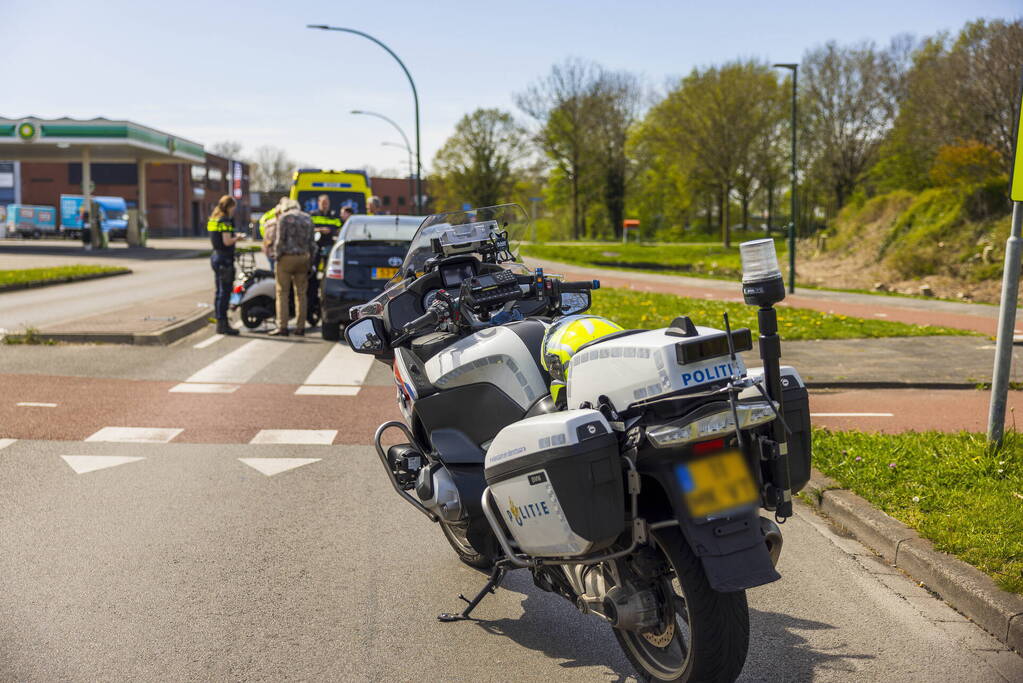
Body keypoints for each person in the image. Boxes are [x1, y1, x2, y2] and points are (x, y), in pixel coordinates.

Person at [264, 198, 315, 337]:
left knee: (282, 293)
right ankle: (300, 327)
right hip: (303, 257)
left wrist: (277, 256)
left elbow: (279, 241)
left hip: (286, 258)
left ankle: (283, 326)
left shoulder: (284, 218)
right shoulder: (307, 218)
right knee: (301, 294)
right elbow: (312, 244)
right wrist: (311, 261)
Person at [207, 195, 242, 336]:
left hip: (216, 256)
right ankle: (223, 325)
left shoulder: (214, 219)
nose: (234, 210)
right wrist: (238, 238)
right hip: (225, 259)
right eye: (233, 207)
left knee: (218, 291)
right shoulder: (225, 220)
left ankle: (219, 321)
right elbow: (227, 241)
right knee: (225, 292)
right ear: (228, 206)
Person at [258, 206, 278, 271]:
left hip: (268, 248)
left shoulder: (268, 217)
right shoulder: (276, 222)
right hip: (273, 250)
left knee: (273, 269)